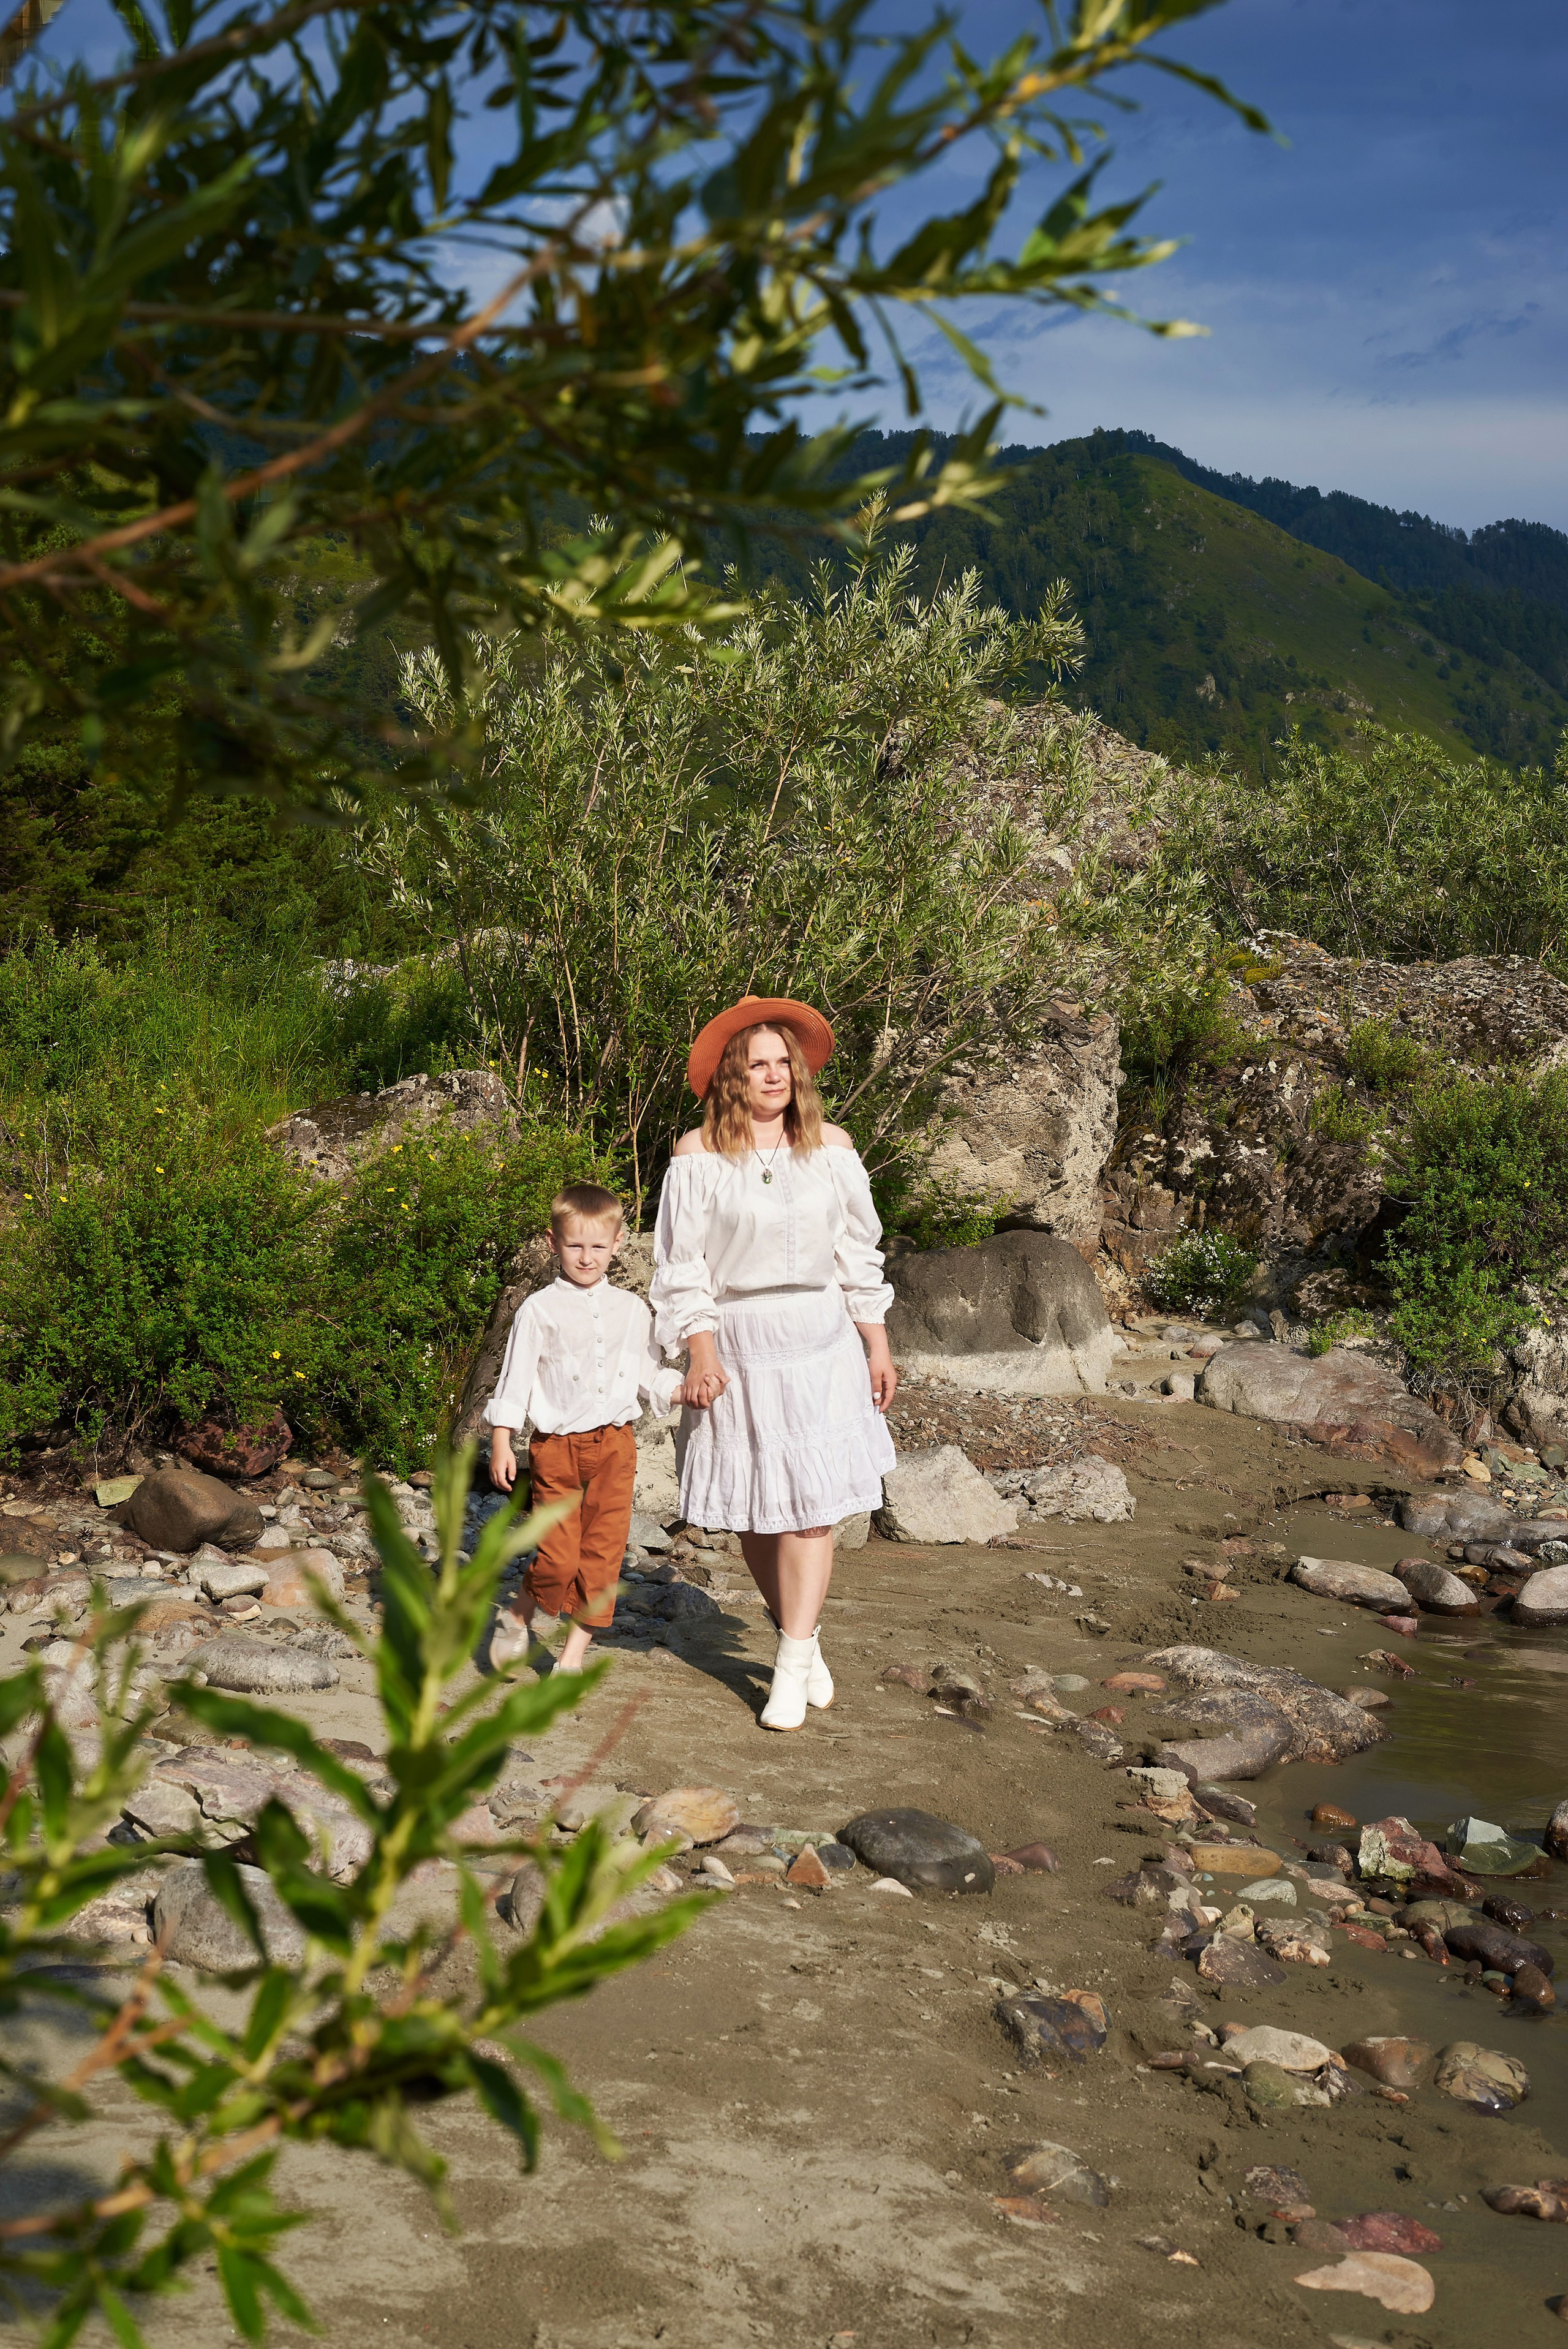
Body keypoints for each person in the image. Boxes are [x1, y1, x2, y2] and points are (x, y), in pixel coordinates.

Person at [650, 995, 897, 1730]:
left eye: (782, 1062)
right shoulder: (698, 1156)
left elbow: (858, 1254)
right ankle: (803, 1631)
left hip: (820, 1338)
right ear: (733, 1075)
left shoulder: (833, 1147)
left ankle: (789, 1663)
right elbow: (681, 1267)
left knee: (813, 1510)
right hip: (739, 1340)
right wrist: (701, 1349)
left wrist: (876, 1340)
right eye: (757, 1064)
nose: (772, 1075)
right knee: (757, 1509)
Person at [486, 1182, 681, 1675]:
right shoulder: (538, 1310)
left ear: (618, 1243)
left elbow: (643, 1371)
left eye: (598, 1246)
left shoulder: (632, 1310)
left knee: (602, 1557)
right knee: (557, 1556)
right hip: (557, 1448)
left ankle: (570, 1659)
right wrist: (502, 1441)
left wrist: (679, 1387)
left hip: (617, 1446)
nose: (587, 1257)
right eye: (575, 1245)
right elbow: (515, 1379)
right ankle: (519, 1611)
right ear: (554, 1243)